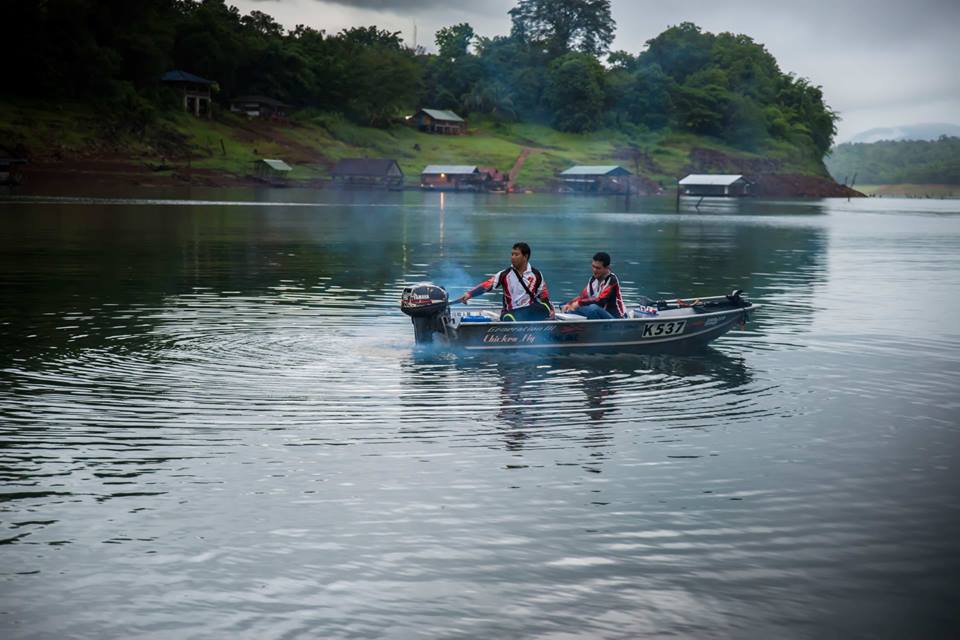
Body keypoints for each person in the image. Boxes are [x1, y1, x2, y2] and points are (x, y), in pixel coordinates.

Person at [457, 242, 554, 321]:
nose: (512, 257)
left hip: (529, 310)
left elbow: (544, 295)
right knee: (509, 318)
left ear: (525, 257)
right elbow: (487, 286)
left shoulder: (536, 274)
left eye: (516, 255)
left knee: (546, 307)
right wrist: (469, 294)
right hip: (511, 313)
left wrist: (551, 311)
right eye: (512, 254)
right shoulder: (505, 274)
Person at [561, 251, 625, 319]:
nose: (594, 270)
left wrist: (579, 303)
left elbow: (600, 301)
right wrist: (570, 304)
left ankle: (590, 327)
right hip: (599, 313)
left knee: (593, 308)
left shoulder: (612, 280)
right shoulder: (593, 280)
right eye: (593, 266)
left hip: (615, 317)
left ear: (607, 268)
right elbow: (583, 296)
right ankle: (571, 325)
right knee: (564, 305)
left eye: (598, 268)